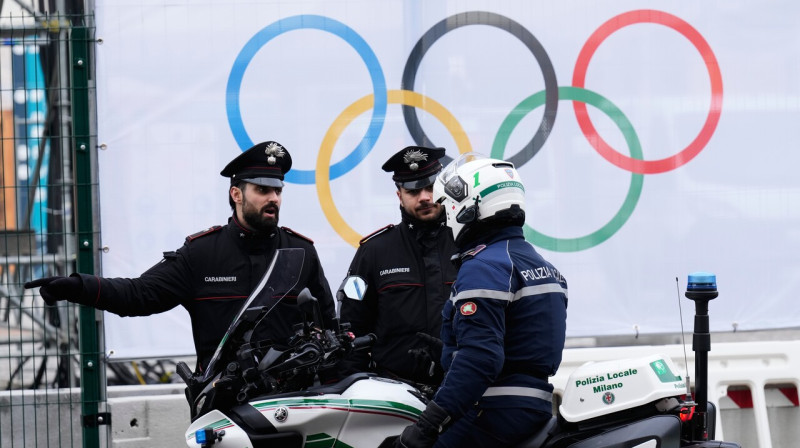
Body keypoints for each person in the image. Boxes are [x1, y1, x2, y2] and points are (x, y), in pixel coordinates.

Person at [24, 141, 336, 372]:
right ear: (237, 194)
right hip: (225, 402)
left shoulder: (300, 253)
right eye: (262, 190)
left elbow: (329, 326)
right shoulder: (202, 254)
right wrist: (78, 287)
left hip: (293, 399)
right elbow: (140, 295)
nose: (273, 198)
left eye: (277, 190)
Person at [396, 152, 569, 448]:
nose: (447, 216)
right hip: (533, 406)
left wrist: (428, 424)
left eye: (449, 207)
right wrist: (451, 350)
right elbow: (520, 340)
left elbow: (481, 359)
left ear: (468, 208)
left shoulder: (484, 267)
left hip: (493, 410)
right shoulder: (543, 265)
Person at [338, 146, 458, 389]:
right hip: (392, 394)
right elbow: (351, 328)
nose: (424, 197)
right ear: (399, 196)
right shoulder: (374, 252)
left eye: (429, 187)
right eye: (413, 190)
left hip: (460, 390)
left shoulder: (468, 245)